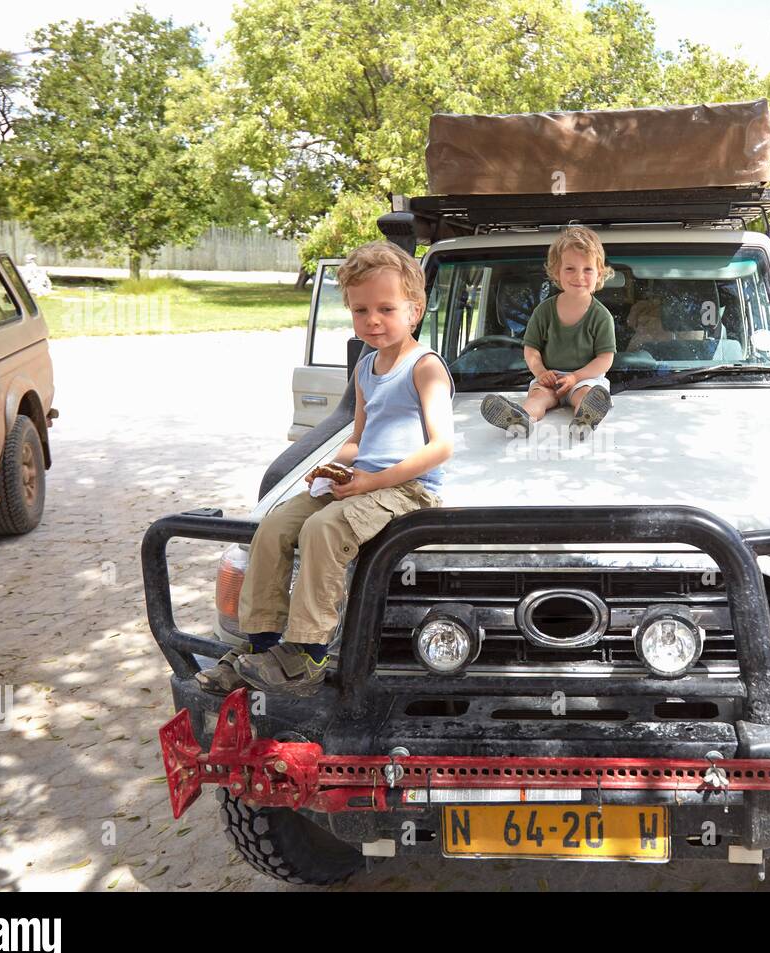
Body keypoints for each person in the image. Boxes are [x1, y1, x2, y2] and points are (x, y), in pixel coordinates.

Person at [195, 241, 455, 696]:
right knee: (273, 525)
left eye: (386, 308)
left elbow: (440, 448)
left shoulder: (425, 367)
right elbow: (357, 439)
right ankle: (261, 645)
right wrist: (327, 468)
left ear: (415, 310)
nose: (372, 320)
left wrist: (371, 482)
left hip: (409, 488)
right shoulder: (366, 367)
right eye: (360, 310)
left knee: (324, 529)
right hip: (362, 482)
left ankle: (308, 654)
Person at [480, 226, 616, 439]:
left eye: (587, 269)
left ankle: (586, 419)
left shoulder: (601, 316)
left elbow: (605, 359)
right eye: (570, 268)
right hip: (549, 378)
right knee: (537, 398)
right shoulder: (544, 311)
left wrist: (575, 377)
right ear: (556, 272)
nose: (579, 276)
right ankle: (520, 418)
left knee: (585, 395)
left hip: (584, 378)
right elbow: (531, 349)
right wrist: (541, 372)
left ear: (599, 272)